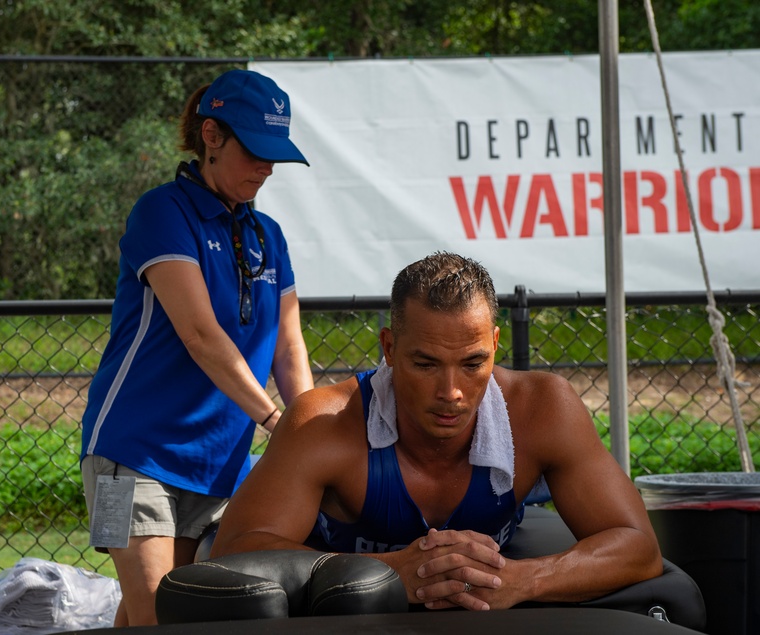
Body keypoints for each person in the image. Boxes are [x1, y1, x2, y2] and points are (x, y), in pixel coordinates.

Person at [211, 251, 663, 611]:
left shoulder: (543, 409)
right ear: (389, 348)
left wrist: (521, 579)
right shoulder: (324, 422)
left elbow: (639, 547)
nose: (451, 393)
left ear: (494, 346)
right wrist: (385, 572)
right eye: (425, 364)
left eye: (472, 364)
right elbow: (234, 552)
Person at [79, 69, 314, 627]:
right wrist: (277, 420)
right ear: (211, 135)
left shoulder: (269, 236)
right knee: (163, 618)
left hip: (219, 470)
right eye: (256, 150)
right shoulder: (163, 213)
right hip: (132, 461)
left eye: (276, 155)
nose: (267, 167)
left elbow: (289, 345)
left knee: (152, 617)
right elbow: (201, 336)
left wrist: (309, 428)